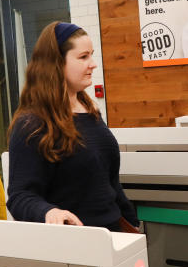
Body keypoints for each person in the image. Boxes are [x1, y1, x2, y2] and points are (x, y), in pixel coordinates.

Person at [7, 22, 140, 230]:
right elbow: (20, 197)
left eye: (91, 55)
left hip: (114, 235)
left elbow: (109, 184)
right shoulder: (31, 124)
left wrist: (132, 225)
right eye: (83, 57)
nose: (93, 64)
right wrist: (49, 212)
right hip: (75, 244)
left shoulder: (89, 111)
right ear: (57, 63)